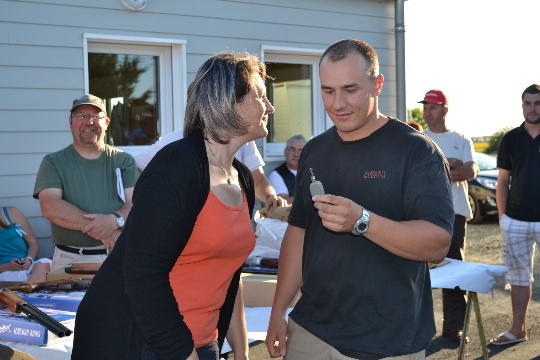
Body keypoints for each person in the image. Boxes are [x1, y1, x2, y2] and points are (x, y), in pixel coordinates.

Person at [72, 51, 275, 360]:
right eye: (260, 96)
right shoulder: (177, 166)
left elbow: (228, 274)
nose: (270, 107)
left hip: (201, 341)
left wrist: (242, 350)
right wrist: (184, 353)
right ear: (226, 103)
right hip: (144, 343)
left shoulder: (242, 177)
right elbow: (142, 273)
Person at [265, 39, 454, 360]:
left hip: (387, 339)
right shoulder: (314, 150)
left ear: (376, 85)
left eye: (350, 89)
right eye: (327, 90)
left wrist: (362, 221)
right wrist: (277, 311)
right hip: (311, 330)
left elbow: (437, 245)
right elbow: (298, 235)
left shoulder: (415, 151)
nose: (338, 103)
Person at [33, 94, 139, 272]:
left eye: (95, 117)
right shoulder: (53, 162)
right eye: (81, 116)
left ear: (106, 122)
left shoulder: (123, 160)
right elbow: (50, 206)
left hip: (116, 257)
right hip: (68, 261)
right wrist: (103, 229)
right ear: (70, 122)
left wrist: (114, 220)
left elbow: (136, 203)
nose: (89, 122)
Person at [419, 89, 479, 343]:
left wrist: (450, 168)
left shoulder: (461, 140)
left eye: (432, 107)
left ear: (445, 110)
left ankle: (453, 327)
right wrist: (450, 164)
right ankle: (419, 325)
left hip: (455, 212)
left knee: (454, 269)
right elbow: (421, 176)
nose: (427, 112)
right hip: (423, 213)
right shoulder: (419, 138)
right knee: (419, 270)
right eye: (425, 107)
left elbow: (470, 171)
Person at [490, 84, 540, 346]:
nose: (532, 108)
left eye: (537, 103)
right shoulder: (511, 138)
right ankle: (517, 330)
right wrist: (502, 217)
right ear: (522, 106)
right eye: (528, 103)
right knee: (519, 278)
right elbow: (502, 181)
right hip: (516, 220)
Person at [135, 131, 286, 209]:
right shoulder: (175, 140)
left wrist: (270, 197)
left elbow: (258, 180)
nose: (268, 108)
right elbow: (137, 168)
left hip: (233, 231)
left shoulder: (244, 141)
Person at [0, 206, 51, 282]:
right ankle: (32, 289)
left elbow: (33, 243)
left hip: (30, 267)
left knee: (44, 262)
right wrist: (8, 266)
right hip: (4, 273)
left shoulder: (10, 212)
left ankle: (31, 288)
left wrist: (29, 259)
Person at [267, 135, 306, 204]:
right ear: (285, 152)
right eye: (292, 149)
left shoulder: (311, 172)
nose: (296, 154)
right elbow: (284, 200)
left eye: (300, 150)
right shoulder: (276, 174)